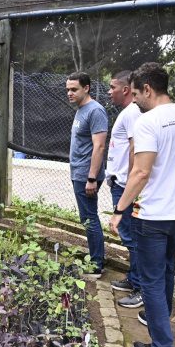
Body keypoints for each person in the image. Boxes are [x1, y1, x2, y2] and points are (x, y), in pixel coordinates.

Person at [111, 63, 175, 347]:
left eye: (137, 93)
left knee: (151, 281)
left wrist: (119, 210)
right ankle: (160, 317)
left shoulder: (148, 122)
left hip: (152, 215)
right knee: (166, 270)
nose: (135, 99)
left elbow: (140, 171)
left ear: (148, 90)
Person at [105, 71, 143, 307]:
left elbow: (134, 150)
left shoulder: (133, 113)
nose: (109, 91)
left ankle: (140, 286)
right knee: (129, 236)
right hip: (120, 183)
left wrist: (130, 185)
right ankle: (133, 278)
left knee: (132, 237)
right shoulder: (128, 113)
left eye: (112, 87)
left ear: (126, 89)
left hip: (124, 186)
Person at [66, 71, 108, 277]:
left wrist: (92, 178)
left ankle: (96, 265)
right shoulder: (81, 109)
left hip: (86, 175)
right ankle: (96, 258)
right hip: (79, 172)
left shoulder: (95, 111)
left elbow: (99, 147)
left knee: (90, 218)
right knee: (87, 218)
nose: (69, 93)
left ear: (86, 88)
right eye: (68, 90)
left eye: (74, 89)